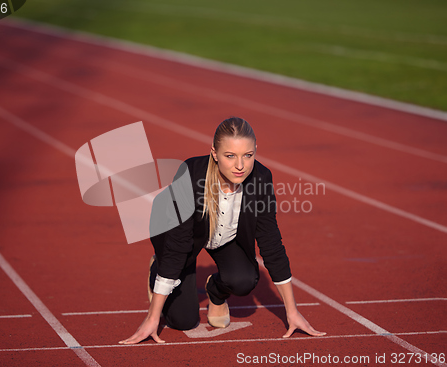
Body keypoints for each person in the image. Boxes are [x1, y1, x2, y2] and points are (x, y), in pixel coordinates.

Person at [119, 117, 325, 344]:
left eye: (248, 155)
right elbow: (178, 245)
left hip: (224, 235)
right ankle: (157, 268)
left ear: (256, 151)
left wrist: (292, 312)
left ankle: (216, 293)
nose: (240, 165)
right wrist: (152, 317)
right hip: (174, 231)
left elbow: (271, 242)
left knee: (244, 279)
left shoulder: (261, 178)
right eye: (230, 156)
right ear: (214, 154)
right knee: (182, 321)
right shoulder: (190, 174)